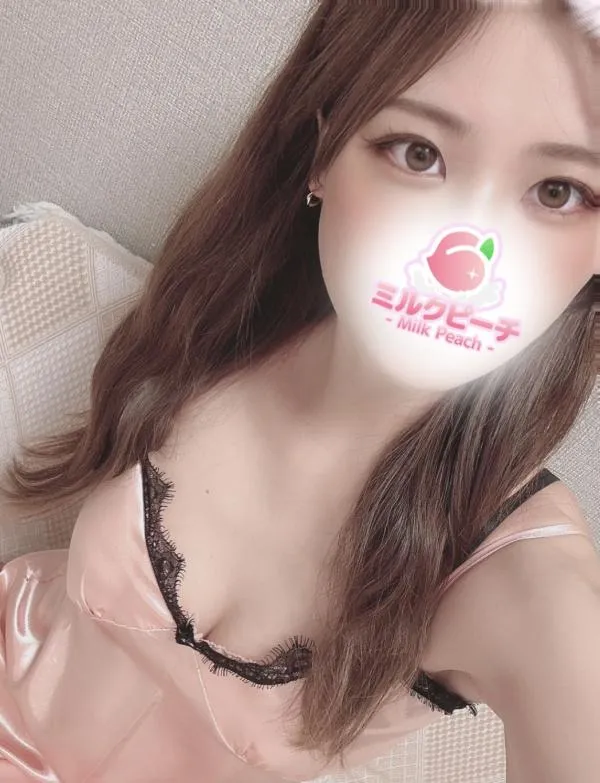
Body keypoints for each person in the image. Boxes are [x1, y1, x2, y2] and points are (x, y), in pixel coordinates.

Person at [0, 1, 598, 781]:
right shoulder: (221, 309)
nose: (470, 250)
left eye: (559, 192)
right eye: (418, 152)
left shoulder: (527, 582)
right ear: (322, 154)